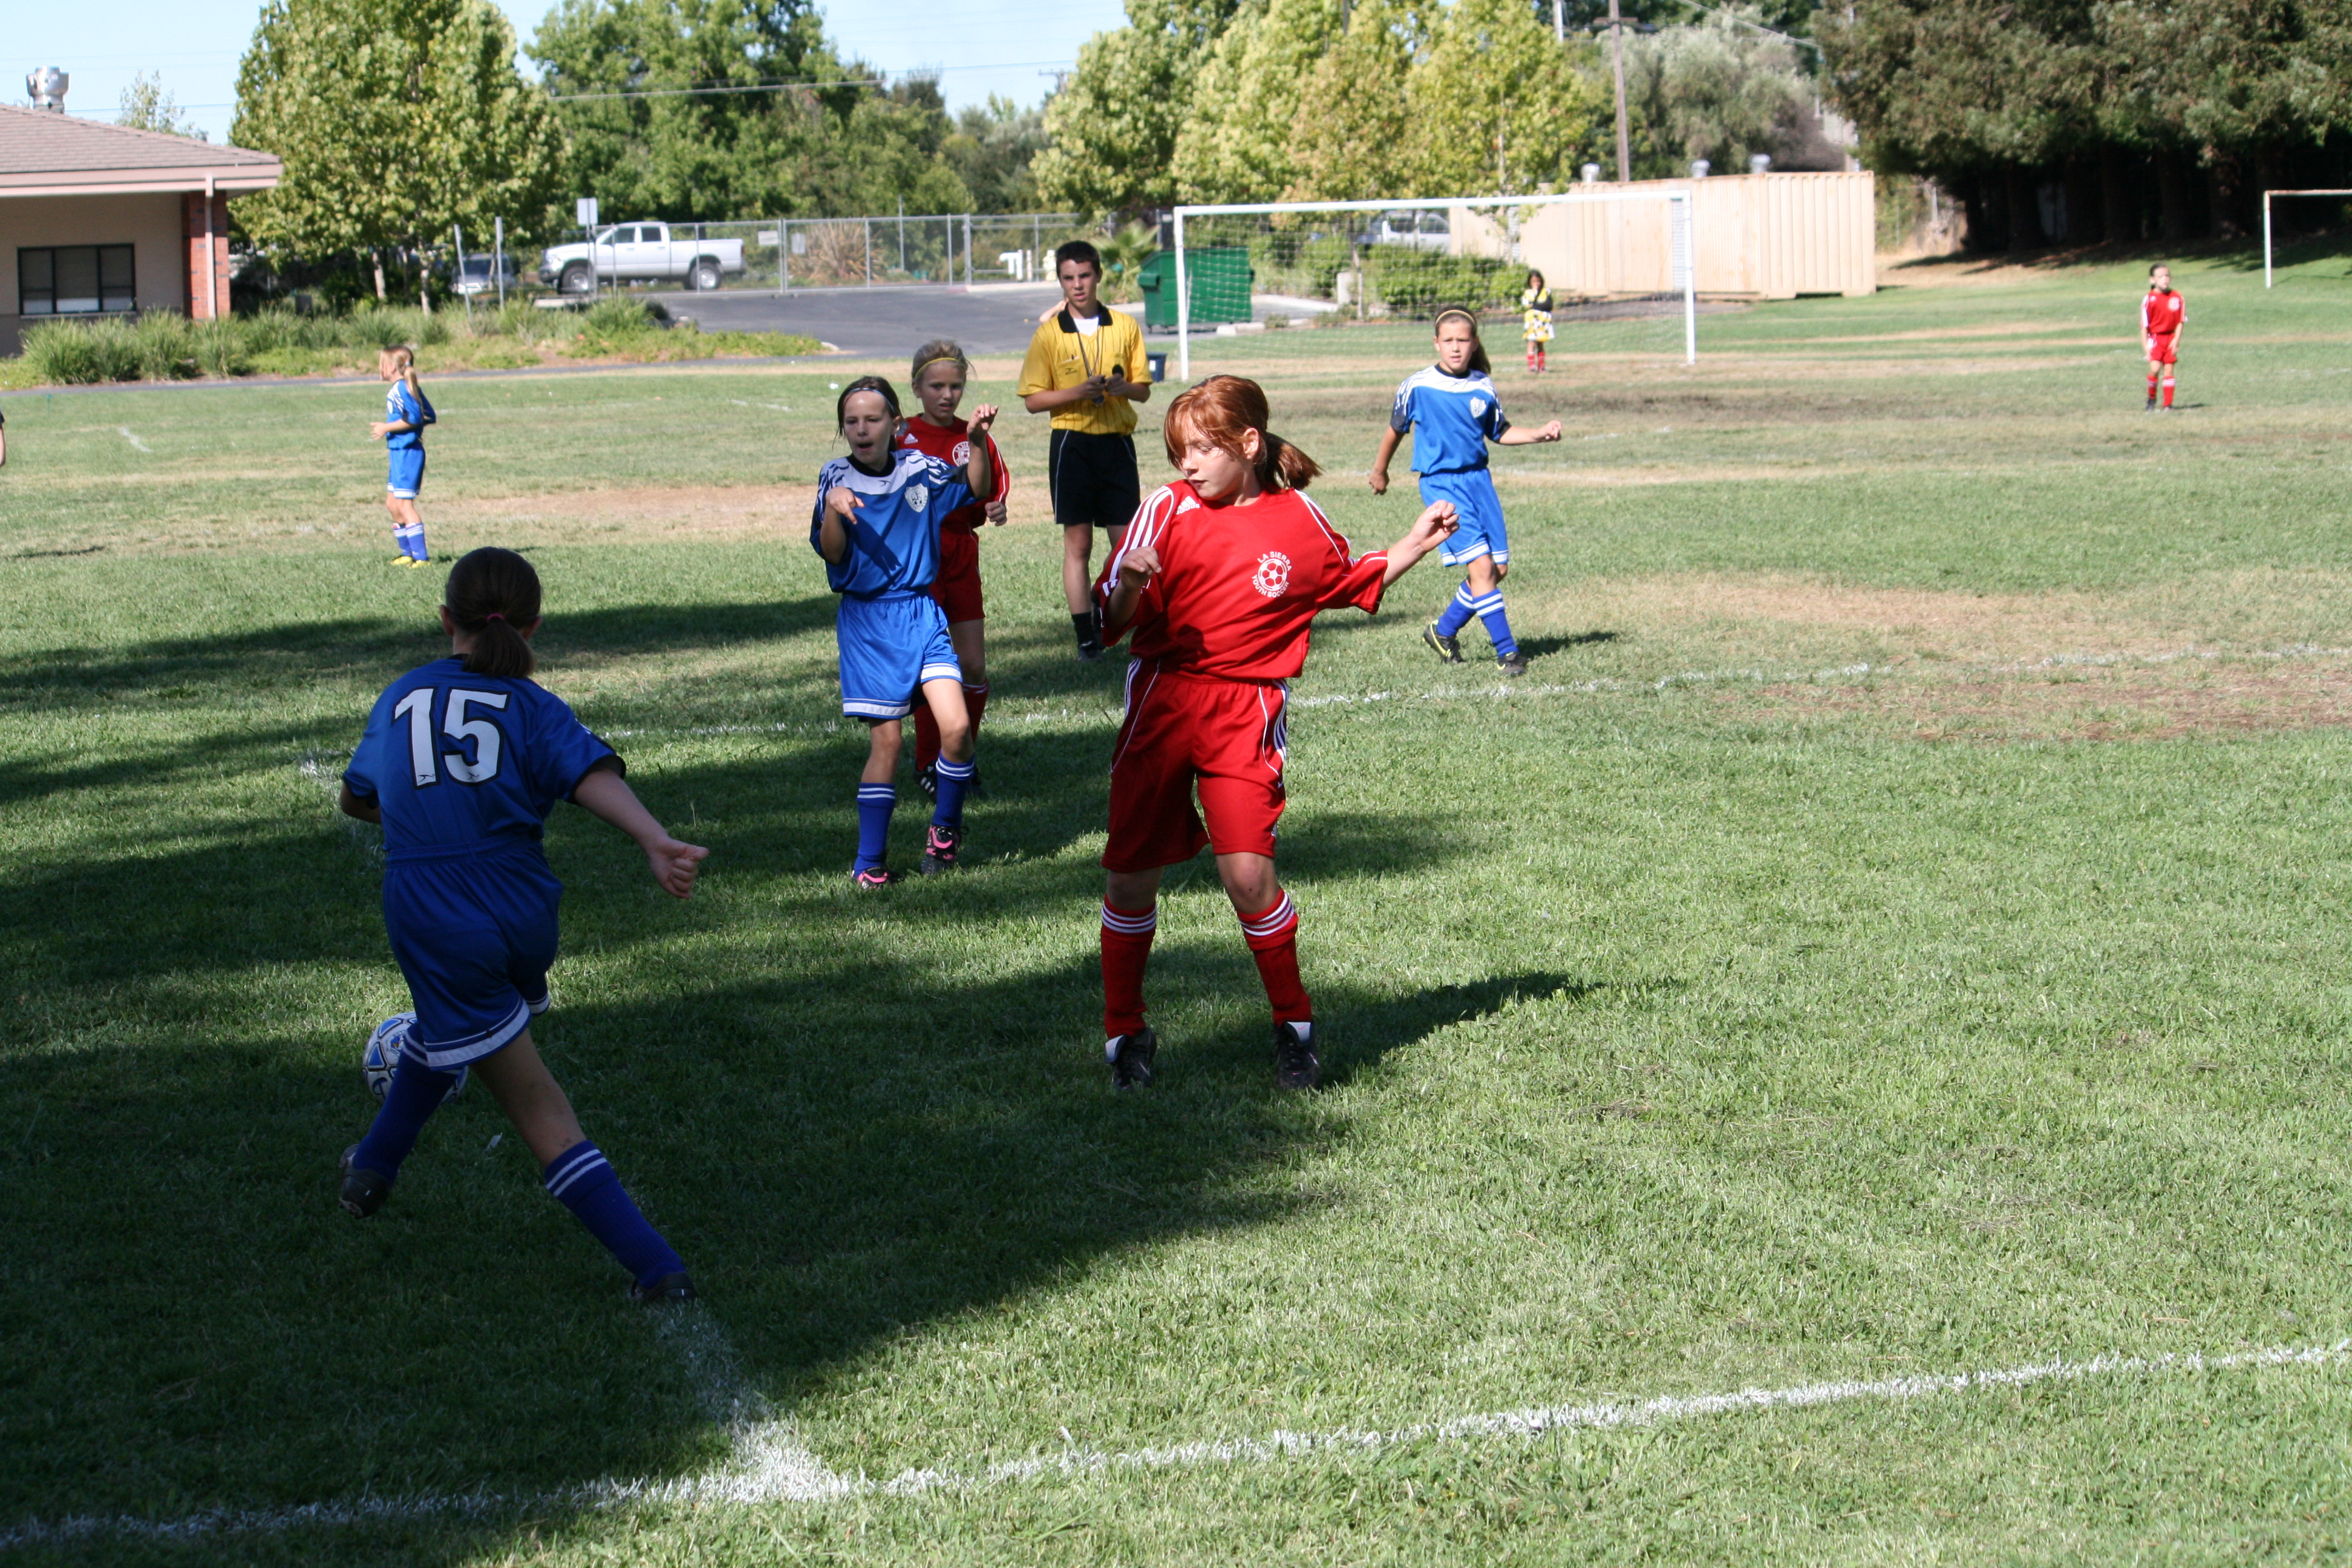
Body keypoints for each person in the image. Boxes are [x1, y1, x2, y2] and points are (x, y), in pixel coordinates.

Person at [336, 547, 710, 1304]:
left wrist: (421, 816)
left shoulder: (402, 696)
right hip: (524, 905)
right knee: (467, 1024)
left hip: (436, 910)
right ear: (534, 626)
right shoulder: (533, 705)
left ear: (446, 618)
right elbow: (590, 776)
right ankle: (371, 1166)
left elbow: (357, 799)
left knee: (533, 1100)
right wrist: (654, 840)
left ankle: (656, 1268)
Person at [1092, 375, 1459, 1093]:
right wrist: (1130, 583)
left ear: (1250, 444)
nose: (1188, 464)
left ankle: (1295, 1029)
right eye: (1179, 451)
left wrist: (1414, 543)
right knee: (1130, 876)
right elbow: (1110, 622)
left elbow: (1348, 581)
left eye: (1202, 449)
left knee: (1249, 877)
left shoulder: (1298, 519)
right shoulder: (1165, 508)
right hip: (1163, 702)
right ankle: (1124, 1033)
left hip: (1246, 711)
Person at [814, 375, 999, 885]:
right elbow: (832, 553)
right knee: (888, 744)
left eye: (872, 419)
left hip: (922, 613)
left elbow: (976, 487)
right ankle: (868, 865)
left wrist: (977, 442)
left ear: (895, 424)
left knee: (956, 729)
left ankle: (944, 832)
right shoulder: (835, 478)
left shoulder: (918, 468)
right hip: (870, 623)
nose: (862, 429)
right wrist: (834, 511)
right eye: (851, 421)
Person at [1370, 308, 1563, 678]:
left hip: (1479, 483)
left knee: (1497, 569)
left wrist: (1539, 434)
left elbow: (1500, 431)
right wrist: (1380, 470)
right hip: (1442, 483)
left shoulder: (1483, 386)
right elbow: (1395, 429)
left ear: (1474, 344)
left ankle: (1442, 631)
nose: (1455, 347)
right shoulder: (1418, 386)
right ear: (1436, 343)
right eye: (1448, 341)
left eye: (1463, 340)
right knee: (1482, 567)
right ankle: (1508, 653)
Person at [1018, 239, 1153, 661]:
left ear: (1098, 276)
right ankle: (1086, 637)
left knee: (1126, 544)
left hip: (1116, 443)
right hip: (1072, 445)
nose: (1077, 285)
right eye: (1068, 278)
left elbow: (1144, 391)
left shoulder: (1124, 326)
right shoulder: (1048, 335)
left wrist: (1122, 387)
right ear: (1060, 281)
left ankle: (1114, 610)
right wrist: (1077, 392)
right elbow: (1033, 400)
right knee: (1077, 546)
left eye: (1084, 276)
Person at [898, 339, 1010, 798]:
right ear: (916, 388)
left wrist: (997, 508)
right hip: (917, 558)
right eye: (937, 386)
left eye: (956, 386)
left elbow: (990, 491)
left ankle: (961, 754)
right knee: (932, 666)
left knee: (973, 666)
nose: (947, 395)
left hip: (961, 553)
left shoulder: (974, 435)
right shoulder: (900, 434)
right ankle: (930, 761)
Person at [368, 345, 436, 566]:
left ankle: (421, 558)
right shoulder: (405, 387)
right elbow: (429, 415)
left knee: (405, 505)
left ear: (390, 367)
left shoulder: (401, 389)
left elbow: (415, 417)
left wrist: (387, 428)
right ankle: (407, 553)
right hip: (399, 453)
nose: (379, 369)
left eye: (381, 364)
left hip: (408, 454)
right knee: (392, 504)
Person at [2143, 263, 2184, 411]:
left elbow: (2180, 321)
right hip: (2155, 338)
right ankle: (2152, 397)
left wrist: (2176, 340)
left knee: (2169, 370)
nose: (2165, 279)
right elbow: (2144, 325)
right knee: (2155, 369)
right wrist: (2145, 345)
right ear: (2152, 280)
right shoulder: (2149, 299)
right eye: (2160, 276)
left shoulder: (2177, 297)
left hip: (2170, 338)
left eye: (2167, 276)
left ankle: (2168, 404)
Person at [1520, 270, 1554, 375]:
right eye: (1534, 281)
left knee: (1540, 343)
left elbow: (1548, 305)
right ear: (1530, 282)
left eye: (1538, 281)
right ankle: (1532, 366)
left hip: (1542, 322)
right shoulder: (1527, 293)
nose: (1536, 284)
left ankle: (1542, 367)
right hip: (1531, 321)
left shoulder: (1546, 291)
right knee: (1531, 343)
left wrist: (1536, 306)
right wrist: (1535, 296)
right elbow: (1527, 305)